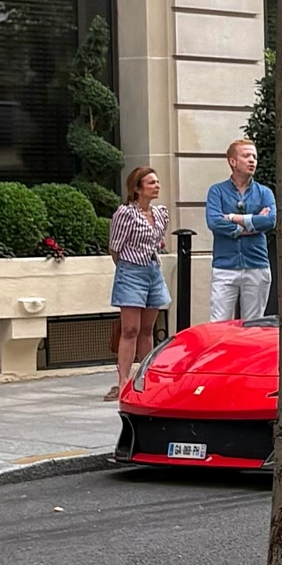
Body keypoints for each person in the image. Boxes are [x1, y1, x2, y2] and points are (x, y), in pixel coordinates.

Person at [106, 165, 169, 400]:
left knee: (146, 329)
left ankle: (147, 376)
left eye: (157, 181)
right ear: (137, 188)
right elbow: (115, 247)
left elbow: (158, 242)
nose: (157, 186)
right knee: (129, 329)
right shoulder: (125, 214)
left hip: (153, 270)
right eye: (151, 182)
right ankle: (122, 379)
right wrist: (127, 271)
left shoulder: (161, 213)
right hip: (131, 271)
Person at [204, 139, 277, 321]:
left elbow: (270, 221)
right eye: (246, 156)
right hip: (225, 266)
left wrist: (233, 218)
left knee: (253, 326)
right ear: (232, 161)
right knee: (219, 324)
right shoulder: (217, 191)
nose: (252, 160)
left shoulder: (265, 192)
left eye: (254, 156)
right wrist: (252, 225)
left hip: (256, 265)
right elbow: (214, 222)